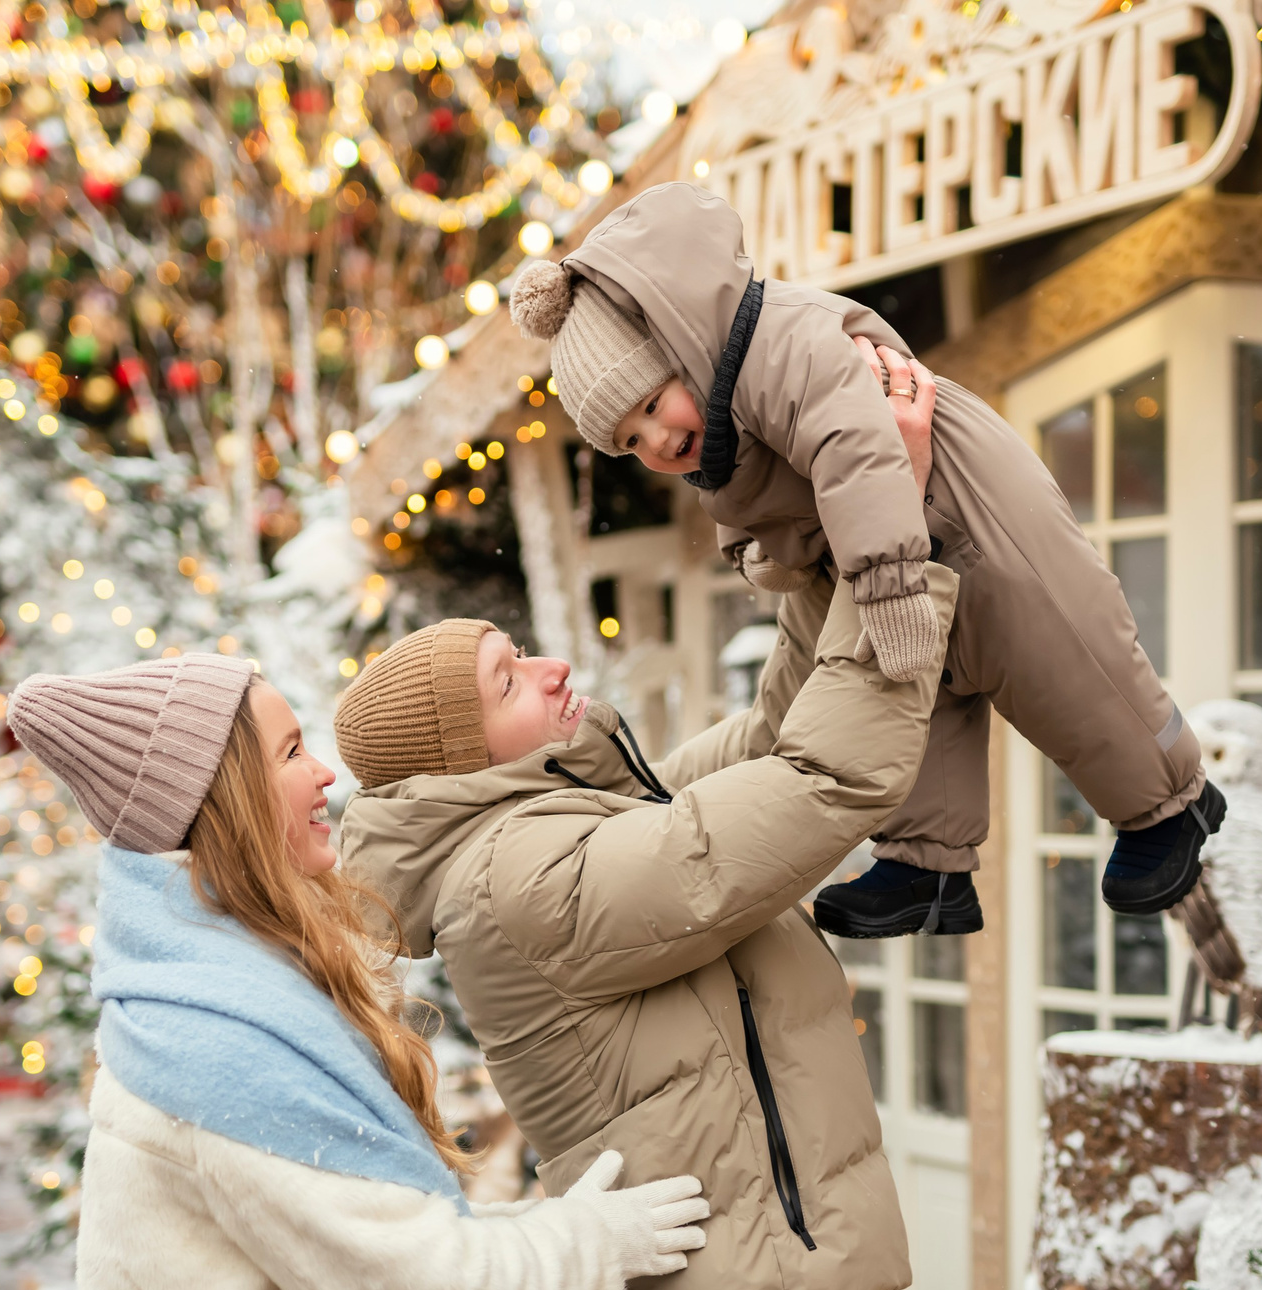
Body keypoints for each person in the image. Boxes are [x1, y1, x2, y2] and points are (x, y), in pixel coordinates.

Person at [4, 653, 714, 1290]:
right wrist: (588, 1243)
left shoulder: (218, 1004)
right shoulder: (225, 1053)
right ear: (226, 804)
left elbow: (365, 1246)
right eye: (290, 752)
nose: (326, 774)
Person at [332, 556, 960, 1290]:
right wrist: (897, 575)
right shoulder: (525, 875)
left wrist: (833, 555)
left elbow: (777, 731)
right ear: (463, 750)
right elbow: (825, 777)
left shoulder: (574, 824)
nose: (551, 667)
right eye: (507, 676)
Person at [505, 179, 1224, 935]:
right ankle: (928, 862)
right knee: (911, 700)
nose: (655, 442)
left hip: (969, 507)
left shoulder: (784, 340)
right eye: (628, 442)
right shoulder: (719, 424)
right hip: (878, 554)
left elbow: (857, 447)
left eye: (651, 406)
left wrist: (882, 581)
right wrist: (766, 555)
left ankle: (1168, 803)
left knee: (1062, 657)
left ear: (685, 341)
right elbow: (755, 500)